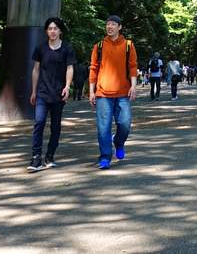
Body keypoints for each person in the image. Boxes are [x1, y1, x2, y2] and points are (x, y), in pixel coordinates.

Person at [89, 14, 138, 170]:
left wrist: (134, 86)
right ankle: (105, 157)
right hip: (103, 94)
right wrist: (91, 91)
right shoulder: (99, 46)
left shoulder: (128, 45)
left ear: (119, 27)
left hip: (123, 92)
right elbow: (93, 69)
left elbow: (133, 66)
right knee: (103, 127)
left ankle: (118, 142)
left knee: (125, 123)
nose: (109, 27)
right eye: (107, 24)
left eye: (113, 24)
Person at [28, 17, 77, 171]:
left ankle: (50, 155)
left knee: (55, 126)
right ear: (46, 31)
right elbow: (36, 69)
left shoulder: (67, 48)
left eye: (55, 28)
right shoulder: (41, 48)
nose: (52, 31)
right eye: (50, 28)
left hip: (58, 93)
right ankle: (36, 157)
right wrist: (34, 91)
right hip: (42, 92)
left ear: (60, 31)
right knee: (39, 123)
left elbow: (70, 68)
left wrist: (67, 87)